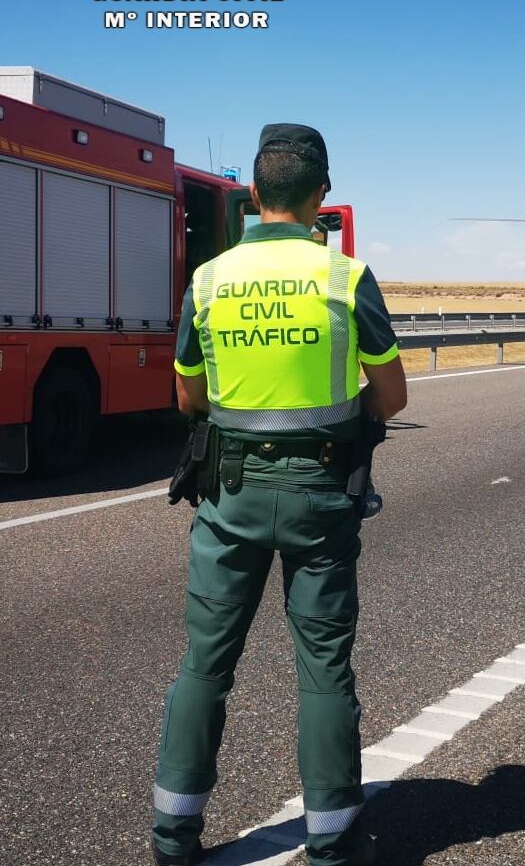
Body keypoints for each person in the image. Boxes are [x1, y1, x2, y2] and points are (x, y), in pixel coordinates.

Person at [152, 124, 407, 866]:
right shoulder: (345, 279)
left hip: (228, 493)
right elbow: (389, 396)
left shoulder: (209, 279)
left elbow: (187, 395)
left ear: (255, 195)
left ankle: (173, 837)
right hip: (321, 491)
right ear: (322, 197)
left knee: (204, 667)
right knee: (324, 667)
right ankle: (330, 843)